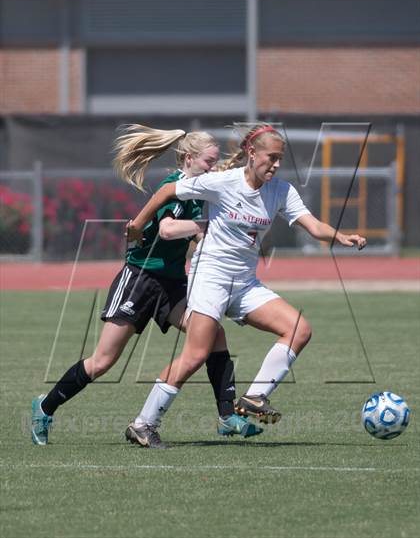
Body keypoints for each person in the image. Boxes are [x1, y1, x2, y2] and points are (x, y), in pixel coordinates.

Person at [126, 123, 367, 446]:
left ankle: (255, 397)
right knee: (196, 354)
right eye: (272, 157)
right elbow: (169, 191)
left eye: (280, 158)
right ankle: (143, 423)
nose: (277, 164)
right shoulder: (223, 182)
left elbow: (312, 225)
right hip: (210, 275)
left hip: (244, 282)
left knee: (299, 329)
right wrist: (139, 224)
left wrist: (340, 236)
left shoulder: (281, 190)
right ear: (252, 154)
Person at [31, 125, 262, 447]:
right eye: (208, 162)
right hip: (139, 279)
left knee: (214, 334)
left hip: (172, 283)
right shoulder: (174, 186)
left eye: (213, 162)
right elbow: (168, 230)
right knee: (103, 361)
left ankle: (227, 417)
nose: (211, 167)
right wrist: (210, 226)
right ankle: (45, 407)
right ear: (188, 158)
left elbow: (194, 233)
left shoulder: (199, 190)